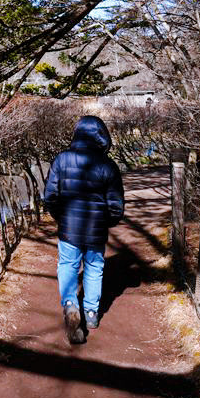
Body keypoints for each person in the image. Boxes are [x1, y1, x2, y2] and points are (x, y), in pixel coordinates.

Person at [42, 115, 125, 344]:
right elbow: (116, 205)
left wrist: (61, 217)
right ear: (102, 135)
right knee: (94, 267)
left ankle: (70, 304)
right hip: (96, 228)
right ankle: (90, 313)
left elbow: (50, 196)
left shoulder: (61, 159)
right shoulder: (108, 165)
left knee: (68, 265)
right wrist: (107, 221)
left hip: (69, 227)